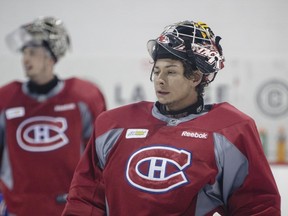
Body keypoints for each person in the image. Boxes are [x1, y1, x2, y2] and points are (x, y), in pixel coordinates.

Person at [62, 20, 281, 215]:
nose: (160, 80)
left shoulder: (231, 131)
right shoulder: (113, 125)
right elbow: (85, 198)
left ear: (195, 77)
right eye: (157, 71)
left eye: (171, 71)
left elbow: (257, 206)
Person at [0, 16, 106, 215]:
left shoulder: (83, 97)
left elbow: (99, 157)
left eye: (32, 52)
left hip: (70, 207)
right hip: (18, 208)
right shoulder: (5, 99)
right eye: (23, 52)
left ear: (50, 57)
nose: (25, 59)